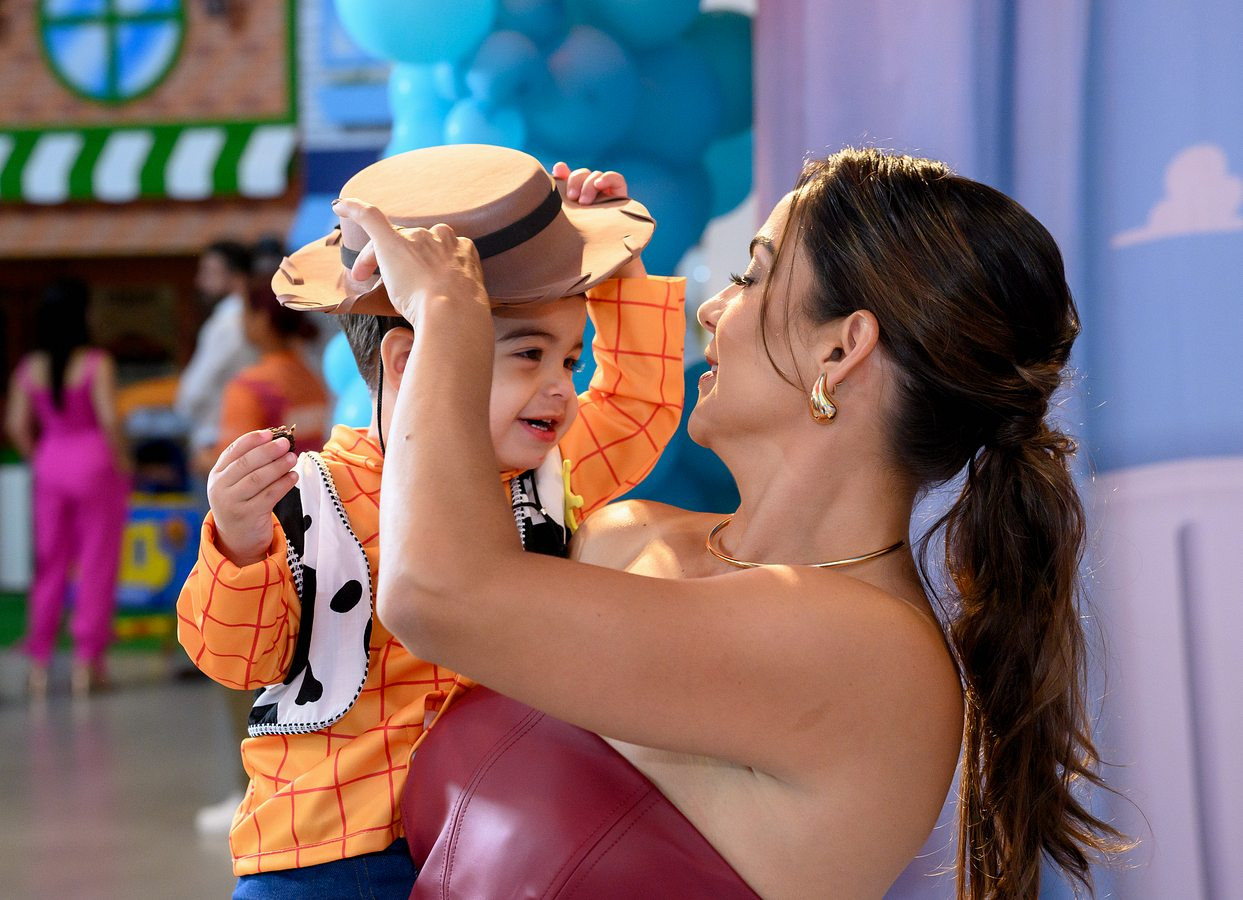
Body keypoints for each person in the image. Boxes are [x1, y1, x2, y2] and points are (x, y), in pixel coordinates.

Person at [359, 147, 1128, 898]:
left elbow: (434, 593)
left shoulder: (864, 653)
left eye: (749, 277)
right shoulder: (624, 534)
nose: (710, 308)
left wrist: (448, 315)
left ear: (840, 350)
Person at [176, 145, 685, 896]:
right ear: (411, 361)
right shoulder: (305, 496)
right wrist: (240, 543)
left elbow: (638, 404)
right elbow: (237, 661)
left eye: (569, 361)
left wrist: (618, 269)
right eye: (529, 355)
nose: (560, 388)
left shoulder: (552, 471)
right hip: (329, 854)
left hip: (506, 835)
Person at [5, 278, 131, 698]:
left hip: (50, 465)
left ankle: (39, 663)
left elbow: (16, 425)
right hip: (96, 465)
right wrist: (124, 463)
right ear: (82, 315)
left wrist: (41, 456)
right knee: (96, 561)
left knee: (50, 562)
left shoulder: (29, 367)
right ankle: (86, 663)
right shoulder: (96, 362)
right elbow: (109, 419)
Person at [216, 277, 330, 458]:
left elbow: (233, 461)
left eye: (245, 313)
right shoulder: (314, 379)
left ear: (262, 319)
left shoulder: (247, 388)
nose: (241, 321)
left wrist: (200, 459)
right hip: (313, 474)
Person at [175, 239, 257, 478]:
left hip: (217, 438)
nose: (200, 281)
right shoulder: (251, 315)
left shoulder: (227, 322)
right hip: (246, 435)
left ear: (237, 277)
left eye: (209, 272)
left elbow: (193, 391)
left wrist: (186, 411)